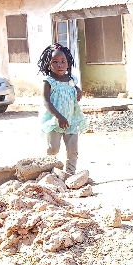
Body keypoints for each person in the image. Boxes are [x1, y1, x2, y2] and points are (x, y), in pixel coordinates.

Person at [37, 43, 87, 175]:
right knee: (53, 149)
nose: (60, 65)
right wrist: (59, 117)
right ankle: (48, 171)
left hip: (71, 119)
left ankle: (70, 174)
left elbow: (73, 88)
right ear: (48, 64)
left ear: (68, 63)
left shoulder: (71, 79)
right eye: (55, 62)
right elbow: (46, 101)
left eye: (63, 61)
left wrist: (78, 91)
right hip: (54, 121)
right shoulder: (48, 81)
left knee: (72, 149)